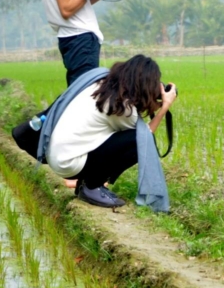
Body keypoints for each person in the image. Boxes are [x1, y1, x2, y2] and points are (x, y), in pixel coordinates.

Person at [43, 55, 177, 208]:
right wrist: (164, 107)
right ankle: (92, 186)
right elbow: (144, 137)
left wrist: (153, 104)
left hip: (59, 155)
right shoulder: (123, 106)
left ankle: (86, 183)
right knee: (138, 142)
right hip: (69, 163)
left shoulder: (101, 86)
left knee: (126, 139)